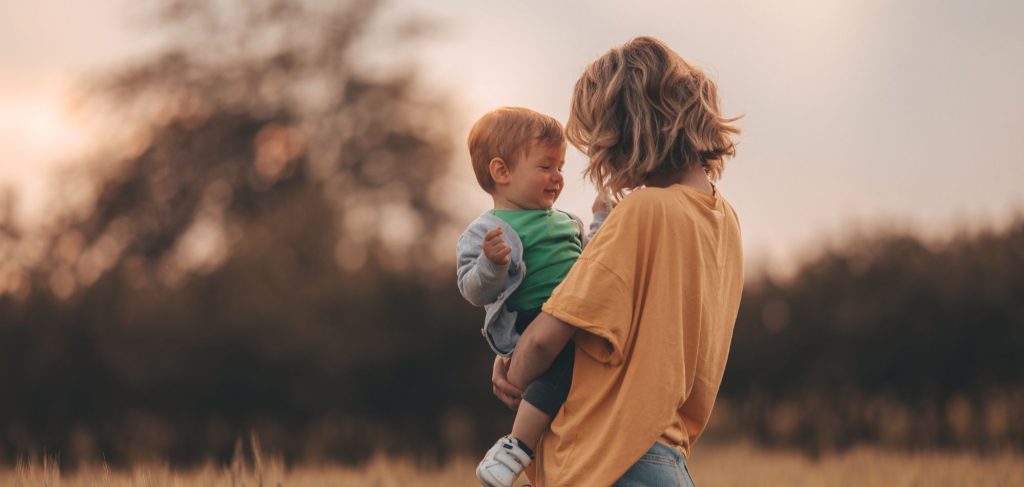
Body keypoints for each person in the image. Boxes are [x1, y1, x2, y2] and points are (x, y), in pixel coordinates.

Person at [491, 36, 744, 486]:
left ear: (629, 128)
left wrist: (513, 366)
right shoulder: (725, 221)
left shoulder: (644, 211)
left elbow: (547, 339)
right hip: (668, 461)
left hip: (608, 463)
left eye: (600, 137)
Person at [455, 107, 608, 487]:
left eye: (560, 167)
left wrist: (602, 222)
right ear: (502, 172)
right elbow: (472, 290)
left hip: (575, 314)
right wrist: (491, 265)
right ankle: (516, 445)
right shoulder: (488, 231)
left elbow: (594, 260)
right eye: (546, 167)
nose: (557, 177)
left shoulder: (565, 221)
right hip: (532, 322)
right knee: (561, 368)